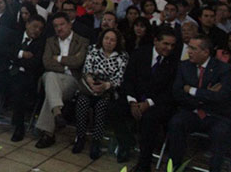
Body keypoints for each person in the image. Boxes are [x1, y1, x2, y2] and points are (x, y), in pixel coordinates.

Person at [168, 34, 231, 172]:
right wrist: (206, 95)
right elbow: (177, 93)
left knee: (221, 132)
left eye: (193, 48)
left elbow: (221, 97)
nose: (189, 52)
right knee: (176, 122)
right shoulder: (184, 66)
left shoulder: (224, 69)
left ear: (205, 52)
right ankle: (175, 167)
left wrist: (192, 90)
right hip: (192, 111)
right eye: (189, 48)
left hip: (217, 115)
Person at [118, 28, 179, 170]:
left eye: (172, 45)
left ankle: (144, 162)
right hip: (135, 97)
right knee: (115, 108)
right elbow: (128, 79)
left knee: (149, 119)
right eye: (166, 44)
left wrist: (148, 103)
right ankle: (126, 143)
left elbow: (169, 90)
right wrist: (133, 102)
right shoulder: (140, 54)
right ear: (156, 41)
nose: (169, 48)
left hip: (157, 102)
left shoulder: (173, 62)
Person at [35, 12, 89, 149]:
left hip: (72, 80)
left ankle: (49, 132)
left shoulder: (82, 41)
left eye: (62, 24)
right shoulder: (50, 41)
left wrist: (58, 58)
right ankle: (57, 114)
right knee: (50, 76)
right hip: (52, 77)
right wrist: (67, 65)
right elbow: (47, 62)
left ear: (70, 24)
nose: (59, 28)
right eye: (56, 26)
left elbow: (78, 62)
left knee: (51, 90)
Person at [72, 28, 128, 160]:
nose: (108, 42)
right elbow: (87, 70)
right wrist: (91, 83)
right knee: (82, 102)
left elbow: (119, 78)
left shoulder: (123, 56)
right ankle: (80, 137)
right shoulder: (93, 49)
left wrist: (105, 85)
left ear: (117, 42)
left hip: (109, 89)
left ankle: (96, 141)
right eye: (106, 38)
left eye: (112, 40)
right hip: (90, 86)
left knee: (102, 106)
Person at [0, 14, 46, 141]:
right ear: (27, 24)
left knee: (19, 90)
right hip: (7, 71)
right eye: (34, 26)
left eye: (40, 29)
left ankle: (19, 127)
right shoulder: (14, 35)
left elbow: (34, 64)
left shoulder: (41, 43)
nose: (37, 30)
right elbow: (2, 51)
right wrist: (21, 53)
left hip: (26, 76)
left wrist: (14, 60)